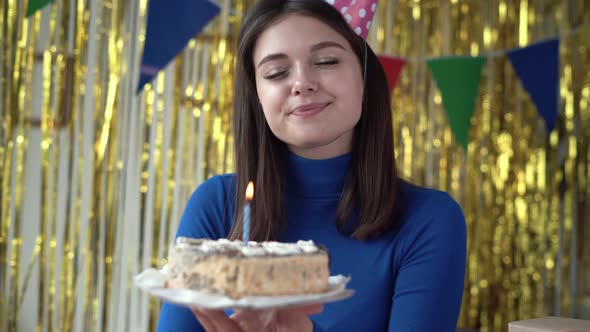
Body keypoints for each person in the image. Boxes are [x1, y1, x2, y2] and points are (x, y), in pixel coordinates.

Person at [156, 0, 467, 331]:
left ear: (364, 73)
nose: (301, 83)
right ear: (257, 95)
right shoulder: (217, 204)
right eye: (276, 72)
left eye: (326, 60)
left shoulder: (428, 219)